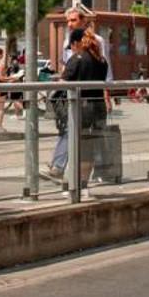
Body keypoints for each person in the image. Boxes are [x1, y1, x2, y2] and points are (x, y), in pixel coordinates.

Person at [40, 26, 108, 182]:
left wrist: (56, 82)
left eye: (71, 45)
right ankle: (94, 175)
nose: (71, 49)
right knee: (92, 140)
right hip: (98, 105)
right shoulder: (101, 60)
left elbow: (65, 81)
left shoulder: (77, 59)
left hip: (80, 105)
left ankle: (58, 167)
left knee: (68, 133)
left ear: (77, 43)